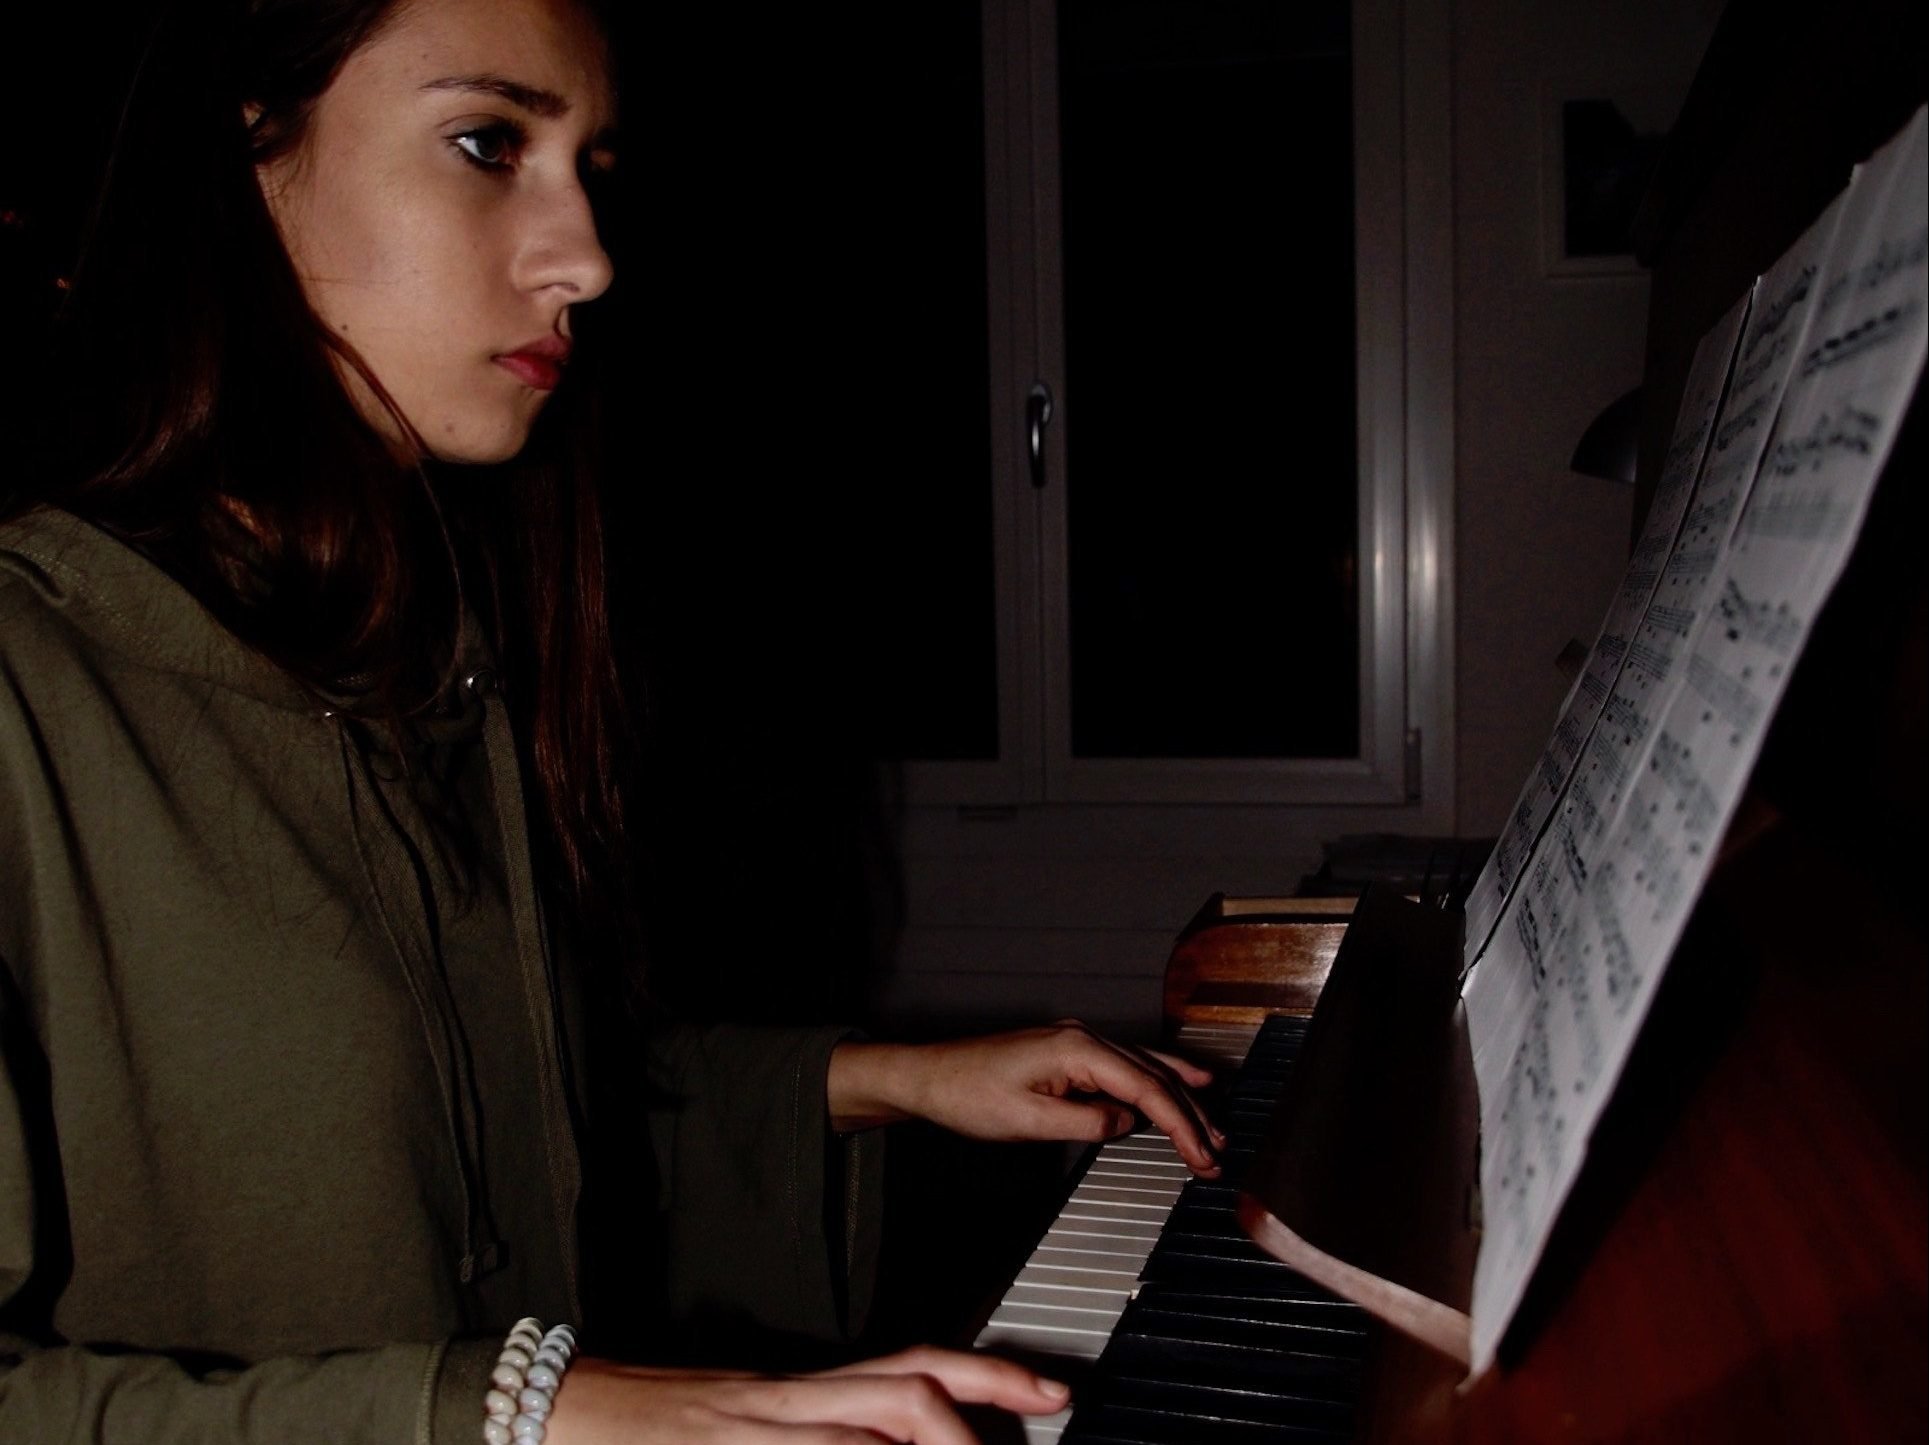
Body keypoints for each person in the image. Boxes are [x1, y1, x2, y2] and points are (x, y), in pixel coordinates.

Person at [0, 0, 1224, 1440]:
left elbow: (500, 1145)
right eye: (485, 142)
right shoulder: (34, 680)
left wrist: (895, 1079)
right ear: (242, 157)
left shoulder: (434, 661)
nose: (584, 257)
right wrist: (519, 1418)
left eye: (592, 165)